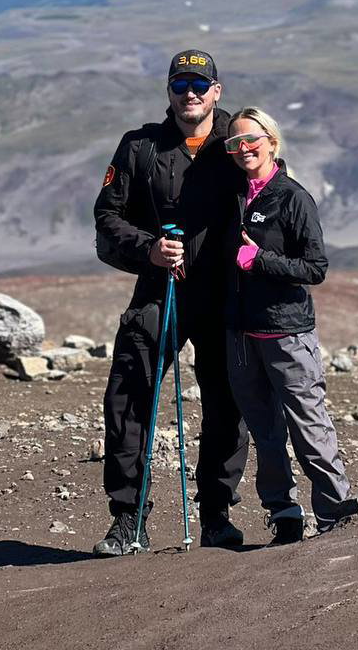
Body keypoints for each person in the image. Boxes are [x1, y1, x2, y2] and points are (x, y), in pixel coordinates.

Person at [92, 49, 249, 556]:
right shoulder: (139, 147)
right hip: (160, 289)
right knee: (128, 394)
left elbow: (275, 196)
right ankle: (128, 519)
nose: (191, 93)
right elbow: (107, 219)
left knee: (227, 403)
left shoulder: (239, 141)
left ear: (217, 91)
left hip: (224, 293)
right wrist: (149, 250)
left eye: (200, 84)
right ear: (169, 91)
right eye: (181, 84)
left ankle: (216, 516)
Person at [222, 106, 358, 545]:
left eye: (252, 140)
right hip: (242, 335)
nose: (244, 148)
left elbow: (315, 268)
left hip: (286, 333)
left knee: (308, 426)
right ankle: (284, 515)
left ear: (272, 142)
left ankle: (336, 516)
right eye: (235, 142)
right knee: (265, 431)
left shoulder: (292, 197)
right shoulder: (233, 196)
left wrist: (258, 260)